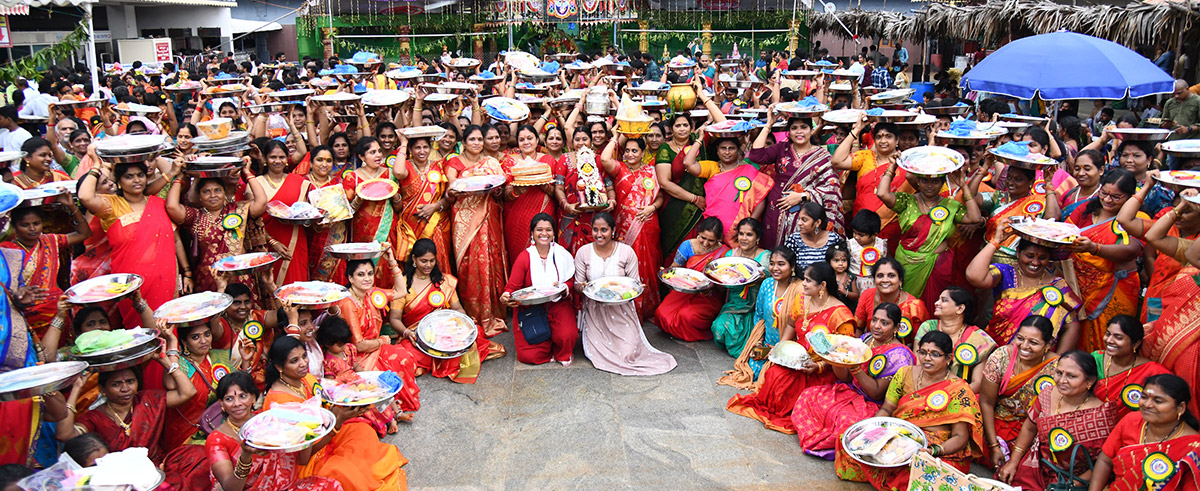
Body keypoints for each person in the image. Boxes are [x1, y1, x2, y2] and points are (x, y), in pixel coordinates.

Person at [57, 330, 206, 491]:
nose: (125, 388)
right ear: (103, 389)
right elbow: (64, 435)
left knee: (200, 455)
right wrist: (77, 388)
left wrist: (165, 361)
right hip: (121, 480)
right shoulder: (95, 417)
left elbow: (187, 392)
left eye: (130, 381)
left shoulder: (148, 400)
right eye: (116, 384)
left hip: (157, 468)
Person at [835, 331, 984, 490]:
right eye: (923, 352)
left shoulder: (959, 389)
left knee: (918, 473)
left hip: (938, 446)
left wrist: (933, 451)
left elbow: (960, 436)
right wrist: (874, 431)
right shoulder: (904, 373)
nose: (927, 358)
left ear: (948, 358)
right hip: (901, 434)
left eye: (935, 354)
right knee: (847, 439)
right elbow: (887, 408)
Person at [261, 337, 408, 491]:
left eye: (304, 356)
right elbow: (303, 456)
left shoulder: (305, 379)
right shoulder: (279, 402)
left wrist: (351, 404)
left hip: (325, 434)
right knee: (342, 471)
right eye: (294, 361)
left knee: (363, 431)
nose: (304, 363)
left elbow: (326, 411)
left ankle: (363, 470)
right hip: (304, 460)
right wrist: (338, 423)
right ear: (279, 367)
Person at [725, 261, 856, 434]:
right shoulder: (802, 299)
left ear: (822, 285)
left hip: (824, 370)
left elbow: (843, 358)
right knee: (773, 374)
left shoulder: (840, 316)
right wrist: (780, 347)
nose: (803, 283)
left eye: (808, 280)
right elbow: (791, 326)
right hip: (797, 360)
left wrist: (819, 366)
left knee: (787, 386)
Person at [792, 302, 915, 458]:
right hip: (849, 392)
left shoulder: (899, 355)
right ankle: (815, 437)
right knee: (808, 396)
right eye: (874, 320)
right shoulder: (866, 338)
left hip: (872, 405)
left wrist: (855, 367)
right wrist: (834, 357)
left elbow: (876, 393)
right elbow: (845, 377)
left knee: (844, 421)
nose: (876, 326)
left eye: (884, 323)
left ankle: (827, 444)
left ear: (896, 328)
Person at [995, 351, 1119, 490]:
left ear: (1089, 381)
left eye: (1071, 376)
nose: (1062, 380)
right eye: (1059, 373)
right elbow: (1029, 428)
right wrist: (1013, 462)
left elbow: (1103, 462)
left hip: (1072, 480)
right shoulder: (1047, 394)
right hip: (1035, 467)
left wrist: (1071, 485)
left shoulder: (1101, 415)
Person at [78, 156, 177, 329]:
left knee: (167, 329)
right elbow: (85, 197)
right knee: (139, 335)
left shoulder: (157, 203)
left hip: (164, 279)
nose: (136, 180)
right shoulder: (111, 205)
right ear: (118, 181)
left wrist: (172, 170)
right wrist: (95, 164)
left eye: (140, 175)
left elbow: (174, 241)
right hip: (132, 284)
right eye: (129, 177)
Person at [573, 212, 677, 376]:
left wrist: (637, 288)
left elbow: (633, 282)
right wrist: (583, 287)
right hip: (595, 312)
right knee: (596, 353)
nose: (599, 234)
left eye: (604, 230)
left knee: (628, 354)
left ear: (613, 230)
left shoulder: (626, 252)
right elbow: (577, 284)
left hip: (621, 311)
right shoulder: (583, 252)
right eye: (595, 230)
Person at [206, 371, 345, 491]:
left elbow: (302, 460)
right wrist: (246, 456)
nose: (237, 404)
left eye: (243, 396)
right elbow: (231, 488)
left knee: (333, 485)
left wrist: (305, 431)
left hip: (284, 486)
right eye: (229, 399)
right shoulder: (216, 440)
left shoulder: (270, 420)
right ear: (222, 404)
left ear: (254, 398)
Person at [876, 154, 983, 306]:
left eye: (935, 181)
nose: (929, 185)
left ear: (942, 183)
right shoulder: (907, 201)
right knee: (905, 307)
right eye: (925, 180)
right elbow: (882, 194)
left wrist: (964, 186)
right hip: (905, 263)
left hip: (936, 266)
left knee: (934, 306)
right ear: (918, 181)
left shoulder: (950, 206)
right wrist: (892, 167)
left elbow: (974, 218)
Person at [395, 238, 501, 384]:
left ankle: (446, 356)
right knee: (405, 354)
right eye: (423, 261)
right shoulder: (403, 285)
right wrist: (407, 333)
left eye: (432, 261)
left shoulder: (444, 280)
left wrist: (463, 323)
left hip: (446, 331)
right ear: (414, 258)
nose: (428, 265)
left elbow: (457, 308)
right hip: (417, 336)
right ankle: (443, 359)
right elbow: (395, 319)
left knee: (475, 332)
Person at [1064, 168, 1145, 352]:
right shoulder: (1085, 210)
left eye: (1116, 197)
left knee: (1109, 338)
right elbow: (1064, 232)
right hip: (1078, 285)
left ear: (1131, 197)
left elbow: (1130, 251)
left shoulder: (1138, 219)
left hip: (1115, 288)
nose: (1108, 200)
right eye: (1104, 193)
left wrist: (1095, 248)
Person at [332, 251, 420, 415]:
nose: (367, 278)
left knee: (405, 357)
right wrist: (382, 341)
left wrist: (392, 261)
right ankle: (391, 410)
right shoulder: (348, 303)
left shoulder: (371, 293)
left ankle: (398, 403)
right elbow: (358, 345)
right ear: (350, 278)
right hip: (357, 356)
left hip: (373, 347)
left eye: (370, 273)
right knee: (390, 368)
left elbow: (401, 291)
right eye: (361, 274)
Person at [966, 227, 1082, 350]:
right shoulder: (1006, 273)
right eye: (1029, 256)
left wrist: (1056, 360)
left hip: (1037, 359)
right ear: (1018, 252)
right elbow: (974, 277)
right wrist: (995, 241)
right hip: (999, 352)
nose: (1035, 262)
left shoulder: (1057, 286)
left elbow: (1072, 325)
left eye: (1042, 258)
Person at [445, 124, 508, 336]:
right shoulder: (454, 162)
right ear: (463, 142)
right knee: (468, 265)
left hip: (489, 215)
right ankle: (474, 312)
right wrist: (455, 190)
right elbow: (451, 191)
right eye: (472, 139)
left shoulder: (490, 162)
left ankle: (494, 312)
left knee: (491, 260)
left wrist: (497, 190)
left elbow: (499, 189)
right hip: (464, 219)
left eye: (480, 139)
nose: (477, 143)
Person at [1089, 374, 1200, 491]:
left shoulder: (1194, 447)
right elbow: (1105, 460)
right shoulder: (1131, 420)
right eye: (1144, 397)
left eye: (1158, 401)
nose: (1147, 404)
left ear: (1180, 408)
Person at [749, 108, 842, 245]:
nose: (799, 131)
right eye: (794, 128)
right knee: (775, 253)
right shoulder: (782, 148)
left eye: (804, 127)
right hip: (776, 211)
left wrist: (803, 196)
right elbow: (756, 155)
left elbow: (831, 187)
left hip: (806, 214)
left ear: (811, 130)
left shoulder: (822, 156)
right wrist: (769, 125)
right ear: (789, 132)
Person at [166, 172, 267, 295]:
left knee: (241, 310)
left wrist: (247, 173)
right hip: (208, 280)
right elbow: (171, 206)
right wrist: (181, 176)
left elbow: (261, 202)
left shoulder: (238, 210)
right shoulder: (196, 216)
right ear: (200, 196)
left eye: (217, 190)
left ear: (224, 193)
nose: (212, 195)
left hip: (239, 279)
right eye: (206, 191)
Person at [979, 315, 1059, 465]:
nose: (1024, 346)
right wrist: (994, 446)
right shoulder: (1001, 357)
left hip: (1031, 429)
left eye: (1033, 342)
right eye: (1020, 338)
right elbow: (986, 402)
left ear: (1048, 345)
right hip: (996, 421)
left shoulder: (1057, 368)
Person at [500, 213, 578, 366]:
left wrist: (563, 288)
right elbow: (512, 286)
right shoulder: (524, 257)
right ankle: (546, 344)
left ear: (554, 233)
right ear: (532, 233)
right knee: (529, 356)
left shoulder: (562, 254)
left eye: (548, 230)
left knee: (566, 336)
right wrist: (506, 296)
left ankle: (559, 349)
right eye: (539, 230)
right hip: (531, 308)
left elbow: (570, 280)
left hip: (557, 304)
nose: (544, 234)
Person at [0, 202, 89, 336]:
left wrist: (72, 206)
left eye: (36, 223)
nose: (32, 229)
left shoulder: (50, 241)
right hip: (25, 312)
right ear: (14, 227)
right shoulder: (7, 250)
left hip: (56, 311)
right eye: (25, 225)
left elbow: (84, 233)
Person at [601, 135, 664, 319]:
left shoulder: (651, 171)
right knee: (625, 264)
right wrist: (615, 136)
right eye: (627, 150)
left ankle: (647, 308)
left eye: (634, 150)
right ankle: (627, 307)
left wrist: (652, 207)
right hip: (623, 226)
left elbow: (660, 196)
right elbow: (605, 159)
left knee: (649, 266)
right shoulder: (619, 168)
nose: (630, 154)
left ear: (643, 153)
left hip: (648, 224)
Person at [680, 135, 774, 247]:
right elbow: (688, 163)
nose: (727, 152)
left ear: (738, 150)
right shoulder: (712, 167)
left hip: (741, 230)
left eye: (731, 148)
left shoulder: (748, 169)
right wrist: (699, 139)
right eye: (723, 148)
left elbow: (761, 197)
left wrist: (749, 224)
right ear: (717, 150)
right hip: (713, 229)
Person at [317, 316, 402, 436]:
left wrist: (366, 376)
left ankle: (394, 415)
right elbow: (331, 383)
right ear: (327, 343)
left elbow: (355, 364)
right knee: (367, 405)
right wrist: (345, 385)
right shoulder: (328, 361)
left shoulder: (348, 349)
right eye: (339, 345)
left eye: (345, 343)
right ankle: (386, 422)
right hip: (346, 389)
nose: (343, 347)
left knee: (380, 391)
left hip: (357, 380)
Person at [654, 217, 730, 341]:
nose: (705, 243)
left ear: (719, 239)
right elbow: (674, 269)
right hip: (685, 288)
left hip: (709, 295)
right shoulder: (688, 245)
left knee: (688, 317)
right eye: (703, 238)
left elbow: (722, 287)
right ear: (698, 232)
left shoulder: (724, 253)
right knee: (661, 313)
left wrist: (709, 289)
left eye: (711, 241)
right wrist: (666, 272)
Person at [911, 286, 997, 393]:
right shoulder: (927, 327)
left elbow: (977, 383)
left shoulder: (978, 339)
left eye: (944, 300)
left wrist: (950, 396)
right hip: (922, 388)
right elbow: (917, 365)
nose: (936, 303)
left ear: (960, 309)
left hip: (958, 394)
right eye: (938, 299)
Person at [343, 137, 400, 288]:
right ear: (361, 156)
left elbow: (399, 207)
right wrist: (358, 200)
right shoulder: (352, 178)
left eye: (379, 151)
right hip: (362, 233)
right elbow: (346, 212)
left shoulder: (390, 174)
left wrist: (396, 196)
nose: (378, 155)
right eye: (372, 152)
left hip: (387, 229)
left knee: (387, 267)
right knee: (364, 271)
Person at [710, 218, 771, 357]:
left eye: (749, 235)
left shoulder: (765, 258)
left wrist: (762, 279)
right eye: (741, 234)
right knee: (718, 328)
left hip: (755, 309)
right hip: (733, 306)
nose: (744, 238)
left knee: (751, 343)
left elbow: (773, 285)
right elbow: (722, 287)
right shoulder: (730, 256)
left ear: (757, 238)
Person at [500, 125, 558, 269]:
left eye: (530, 138)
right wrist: (517, 191)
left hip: (543, 211)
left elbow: (555, 192)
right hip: (517, 215)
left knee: (544, 248)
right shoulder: (510, 161)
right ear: (518, 142)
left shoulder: (548, 160)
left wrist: (543, 185)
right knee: (518, 253)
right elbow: (505, 194)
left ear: (537, 140)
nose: (526, 142)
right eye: (522, 139)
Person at [256, 139, 312, 285]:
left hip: (295, 240)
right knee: (269, 285)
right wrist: (272, 242)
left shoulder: (301, 183)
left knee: (297, 286)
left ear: (287, 159)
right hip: (266, 243)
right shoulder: (256, 184)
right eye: (273, 157)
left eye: (281, 157)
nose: (277, 161)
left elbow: (308, 212)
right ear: (265, 159)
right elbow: (253, 220)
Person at [1093, 315, 1171, 421]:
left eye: (1118, 337)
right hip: (1090, 424)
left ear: (1136, 343)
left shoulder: (1152, 371)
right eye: (1108, 334)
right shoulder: (1095, 359)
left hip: (1131, 427)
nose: (1109, 340)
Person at [394, 135, 452, 269]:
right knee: (412, 265)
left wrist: (435, 206)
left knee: (438, 263)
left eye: (425, 147)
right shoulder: (406, 166)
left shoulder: (439, 165)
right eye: (417, 148)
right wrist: (403, 142)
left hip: (437, 224)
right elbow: (397, 172)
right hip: (411, 227)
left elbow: (449, 197)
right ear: (410, 149)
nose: (422, 151)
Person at [853, 258, 928, 345]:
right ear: (874, 280)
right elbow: (859, 328)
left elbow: (920, 342)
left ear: (900, 281)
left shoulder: (914, 306)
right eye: (880, 276)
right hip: (872, 347)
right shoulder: (867, 295)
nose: (885, 280)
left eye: (891, 275)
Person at [304, 145, 349, 283]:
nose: (324, 164)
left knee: (337, 278)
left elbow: (345, 211)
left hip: (336, 236)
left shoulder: (339, 183)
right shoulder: (303, 182)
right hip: (310, 237)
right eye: (319, 160)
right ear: (311, 163)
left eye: (329, 160)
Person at [782, 202, 842, 269]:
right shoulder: (793, 240)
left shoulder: (834, 239)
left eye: (804, 220)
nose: (799, 223)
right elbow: (787, 267)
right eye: (799, 219)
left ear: (817, 223)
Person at [847, 210, 888, 292]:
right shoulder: (850, 244)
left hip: (874, 281)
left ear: (874, 235)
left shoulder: (881, 245)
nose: (856, 237)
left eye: (861, 235)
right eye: (854, 233)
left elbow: (885, 261)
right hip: (854, 281)